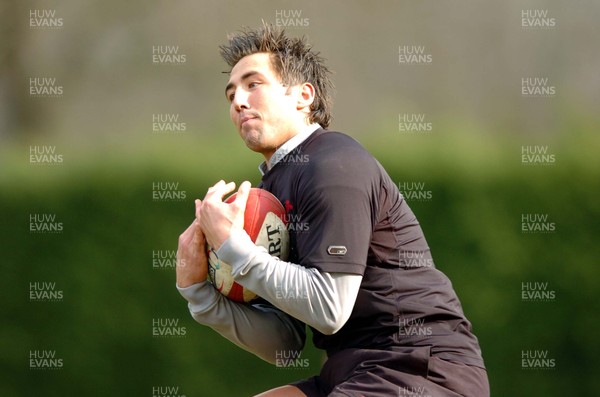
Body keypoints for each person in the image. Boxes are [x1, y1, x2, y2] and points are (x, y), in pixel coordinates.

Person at [176, 24, 489, 397]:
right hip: (353, 371)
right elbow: (284, 345)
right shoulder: (272, 190)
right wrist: (199, 293)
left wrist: (232, 248)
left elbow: (328, 307)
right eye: (231, 94)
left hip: (420, 369)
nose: (238, 101)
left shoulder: (333, 163)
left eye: (253, 84)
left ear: (303, 96)